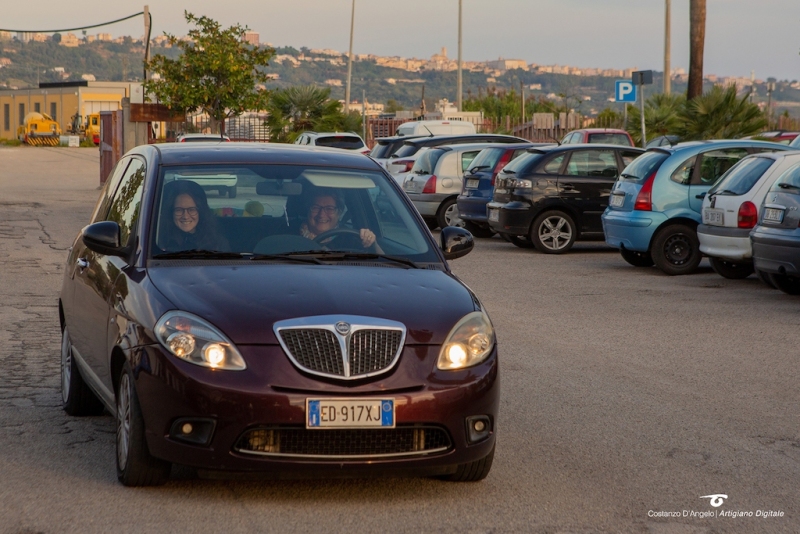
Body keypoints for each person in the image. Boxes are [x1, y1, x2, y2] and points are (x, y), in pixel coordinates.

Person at [159, 180, 228, 252]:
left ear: (200, 212)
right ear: (171, 213)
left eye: (192, 210)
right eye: (179, 210)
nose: (185, 216)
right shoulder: (159, 241)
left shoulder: (217, 242)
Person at [299, 192, 378, 250]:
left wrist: (371, 242)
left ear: (339, 213)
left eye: (329, 209)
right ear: (308, 210)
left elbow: (383, 264)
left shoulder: (351, 238)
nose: (321, 214)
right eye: (316, 207)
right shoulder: (290, 233)